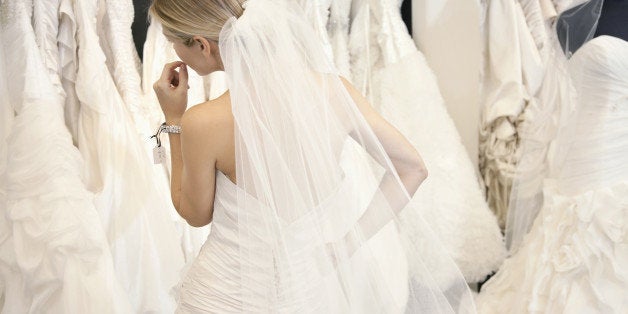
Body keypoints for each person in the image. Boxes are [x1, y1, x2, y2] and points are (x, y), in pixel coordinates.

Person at [150, 0, 475, 312]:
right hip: (305, 295)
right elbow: (413, 168)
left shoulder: (203, 121)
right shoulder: (334, 93)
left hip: (223, 296)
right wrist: (350, 242)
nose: (174, 53)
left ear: (202, 45)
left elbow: (195, 214)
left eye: (173, 42)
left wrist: (175, 120)